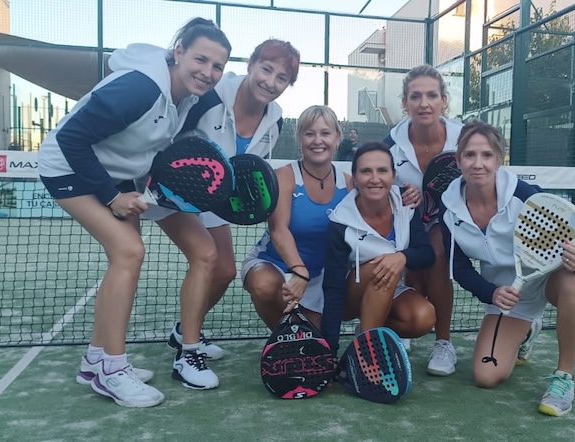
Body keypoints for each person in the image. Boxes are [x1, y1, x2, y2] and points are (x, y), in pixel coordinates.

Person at [37, 18, 232, 407]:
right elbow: (71, 139)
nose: (208, 72)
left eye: (217, 67)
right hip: (69, 168)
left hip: (124, 176)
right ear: (178, 53)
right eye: (200, 59)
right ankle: (112, 370)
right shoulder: (139, 88)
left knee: (144, 255)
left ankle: (95, 359)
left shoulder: (190, 97)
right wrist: (111, 196)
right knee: (129, 252)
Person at [145, 39, 300, 359]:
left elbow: (245, 170)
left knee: (226, 270)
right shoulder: (207, 98)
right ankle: (188, 352)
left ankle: (184, 331)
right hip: (172, 194)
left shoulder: (276, 120)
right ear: (251, 64)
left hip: (215, 198)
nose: (270, 82)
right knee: (205, 258)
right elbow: (164, 144)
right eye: (266, 69)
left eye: (281, 78)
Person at [439, 120, 575, 417]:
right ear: (458, 160)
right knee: (486, 377)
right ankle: (527, 331)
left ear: (498, 159)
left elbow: (574, 238)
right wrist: (491, 292)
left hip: (548, 282)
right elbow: (457, 266)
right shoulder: (449, 208)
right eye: (470, 155)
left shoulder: (525, 194)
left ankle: (564, 378)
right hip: (506, 296)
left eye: (487, 155)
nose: (478, 163)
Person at [382, 64, 464, 375]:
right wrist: (401, 195)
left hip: (456, 220)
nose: (424, 103)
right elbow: (375, 185)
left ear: (444, 100)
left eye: (432, 95)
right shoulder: (390, 144)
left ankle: (443, 343)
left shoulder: (464, 137)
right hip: (409, 223)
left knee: (438, 255)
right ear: (405, 103)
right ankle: (408, 328)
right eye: (415, 96)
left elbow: (483, 177)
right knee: (415, 265)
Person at [321, 142, 437, 357]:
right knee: (383, 266)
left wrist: (402, 257)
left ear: (393, 175)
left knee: (422, 317)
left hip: (388, 290)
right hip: (350, 296)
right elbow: (333, 289)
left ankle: (367, 331)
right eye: (366, 171)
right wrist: (330, 353)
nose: (375, 179)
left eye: (382, 170)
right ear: (355, 178)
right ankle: (366, 354)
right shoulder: (340, 222)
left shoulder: (406, 203)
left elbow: (427, 255)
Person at [242, 106, 351, 329]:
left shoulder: (350, 183)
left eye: (325, 133)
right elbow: (278, 230)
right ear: (299, 139)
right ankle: (283, 339)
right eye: (309, 133)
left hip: (320, 277)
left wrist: (410, 194)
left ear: (337, 138)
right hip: (276, 265)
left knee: (315, 336)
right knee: (263, 285)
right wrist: (299, 271)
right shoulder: (284, 176)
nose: (317, 140)